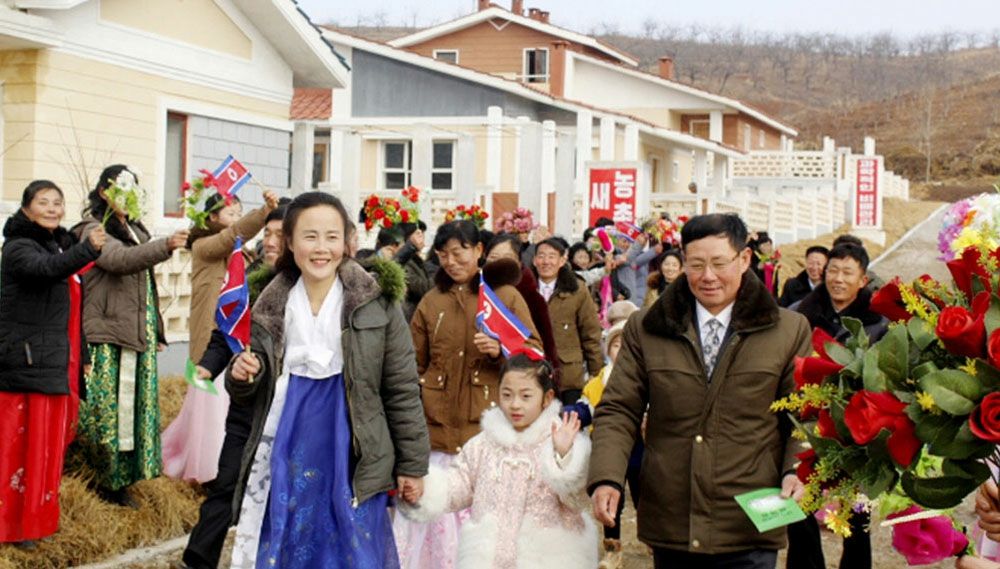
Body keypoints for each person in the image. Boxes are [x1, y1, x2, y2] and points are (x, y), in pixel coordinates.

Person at [588, 213, 812, 569]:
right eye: (696, 264)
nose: (708, 276)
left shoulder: (787, 330)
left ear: (744, 259)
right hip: (672, 515)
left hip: (749, 517)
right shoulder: (647, 327)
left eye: (719, 263)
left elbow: (804, 414)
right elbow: (619, 408)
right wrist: (607, 476)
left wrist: (796, 470)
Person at [226, 191, 430, 568]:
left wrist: (412, 465)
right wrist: (241, 375)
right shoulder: (266, 304)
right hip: (287, 439)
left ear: (348, 241)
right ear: (289, 241)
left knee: (352, 546)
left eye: (332, 237)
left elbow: (401, 390)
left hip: (355, 444)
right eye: (310, 236)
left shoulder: (377, 303)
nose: (322, 248)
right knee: (293, 542)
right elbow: (249, 388)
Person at [395, 220, 542, 569]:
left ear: (478, 251)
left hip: (486, 433)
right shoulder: (431, 301)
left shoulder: (503, 297)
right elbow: (411, 363)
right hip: (437, 433)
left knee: (485, 531)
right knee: (433, 528)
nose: (450, 261)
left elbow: (535, 355)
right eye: (443, 254)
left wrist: (500, 350)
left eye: (458, 252)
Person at [400, 353, 597, 568]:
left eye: (526, 396)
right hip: (487, 558)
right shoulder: (483, 444)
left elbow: (578, 500)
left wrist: (564, 457)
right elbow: (458, 484)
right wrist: (425, 491)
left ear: (547, 398)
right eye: (507, 394)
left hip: (545, 558)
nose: (515, 404)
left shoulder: (559, 441)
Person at [71, 165, 189, 507]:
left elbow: (144, 287)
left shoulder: (135, 230)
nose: (128, 196)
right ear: (104, 193)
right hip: (107, 334)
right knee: (108, 415)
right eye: (121, 189)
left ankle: (125, 478)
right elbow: (120, 261)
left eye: (133, 189)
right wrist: (165, 245)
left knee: (134, 412)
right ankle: (103, 479)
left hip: (135, 334)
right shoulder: (91, 229)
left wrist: (158, 330)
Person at [176, 206, 286, 569]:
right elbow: (226, 332)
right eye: (267, 234)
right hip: (247, 403)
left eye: (280, 235)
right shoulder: (250, 280)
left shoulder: (310, 289)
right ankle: (198, 558)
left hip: (289, 409)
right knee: (225, 482)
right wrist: (208, 366)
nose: (271, 242)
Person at [0, 180, 105, 546]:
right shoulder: (17, 247)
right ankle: (10, 526)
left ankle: (33, 523)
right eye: (43, 202)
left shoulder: (59, 245)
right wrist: (86, 249)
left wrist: (83, 356)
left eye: (57, 203)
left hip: (52, 361)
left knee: (45, 450)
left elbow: (71, 311)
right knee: (17, 449)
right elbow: (47, 269)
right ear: (26, 209)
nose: (51, 209)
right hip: (25, 361)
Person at [161, 189, 278, 483]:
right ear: (212, 217)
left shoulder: (243, 252)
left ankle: (221, 466)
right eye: (230, 212)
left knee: (226, 404)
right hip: (212, 338)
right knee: (208, 405)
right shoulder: (204, 245)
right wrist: (263, 213)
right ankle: (206, 469)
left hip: (236, 338)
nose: (236, 217)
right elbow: (231, 236)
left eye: (239, 212)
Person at [785, 243, 885, 569]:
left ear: (863, 280)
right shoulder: (798, 313)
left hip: (855, 430)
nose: (838, 279)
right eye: (833, 270)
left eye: (847, 273)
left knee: (856, 514)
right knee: (799, 503)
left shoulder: (879, 323)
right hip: (805, 424)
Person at [580, 321, 642, 569]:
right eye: (616, 345)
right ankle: (612, 547)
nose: (622, 350)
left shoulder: (647, 378)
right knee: (611, 501)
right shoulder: (598, 383)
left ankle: (652, 539)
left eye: (627, 344)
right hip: (611, 454)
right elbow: (585, 408)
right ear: (608, 350)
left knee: (645, 498)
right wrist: (570, 415)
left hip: (642, 451)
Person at [533, 238, 604, 405]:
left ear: (562, 261)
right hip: (532, 372)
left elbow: (591, 334)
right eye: (541, 256)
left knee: (568, 418)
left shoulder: (577, 289)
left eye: (552, 256)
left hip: (568, 374)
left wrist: (596, 373)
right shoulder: (525, 288)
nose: (546, 261)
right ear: (534, 260)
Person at [485, 233, 560, 382]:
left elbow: (545, 344)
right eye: (494, 257)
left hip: (519, 379)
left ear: (519, 263)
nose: (500, 263)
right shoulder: (480, 290)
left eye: (507, 258)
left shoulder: (530, 297)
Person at [395, 220, 433, 323]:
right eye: (418, 235)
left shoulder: (416, 259)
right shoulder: (405, 262)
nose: (422, 239)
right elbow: (422, 288)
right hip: (410, 318)